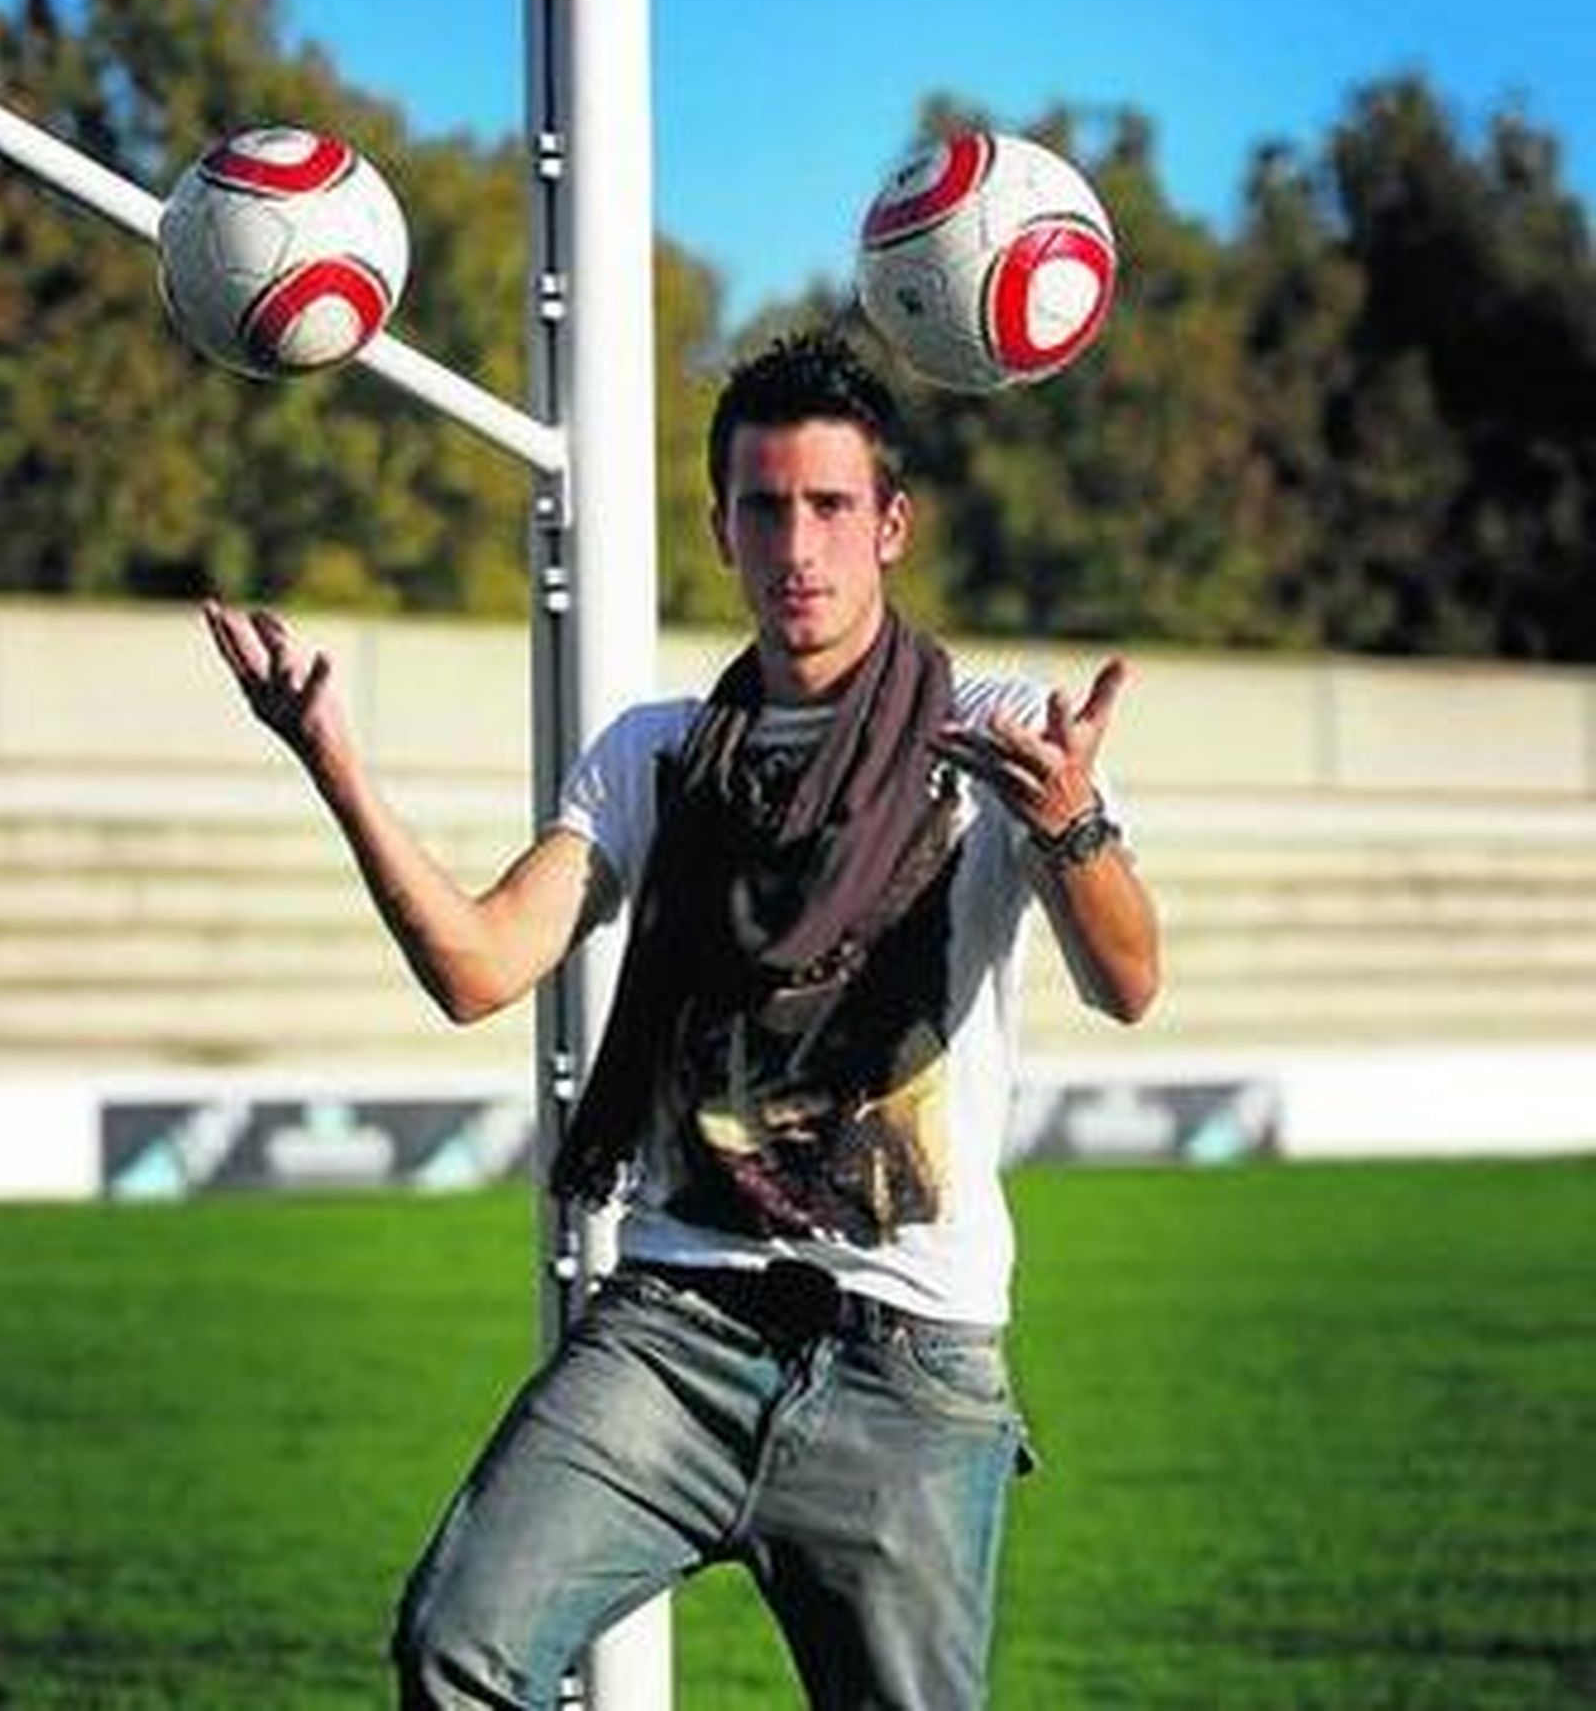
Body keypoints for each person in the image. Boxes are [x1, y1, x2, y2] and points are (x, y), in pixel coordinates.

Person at [204, 333, 1161, 1711]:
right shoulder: (653, 756)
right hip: (676, 1326)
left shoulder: (992, 731)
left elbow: (1129, 981)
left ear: (891, 525)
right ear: (721, 529)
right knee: (455, 1644)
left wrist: (1071, 826)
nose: (798, 547)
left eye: (831, 506)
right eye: (764, 508)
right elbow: (479, 967)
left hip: (908, 1362)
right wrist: (335, 765)